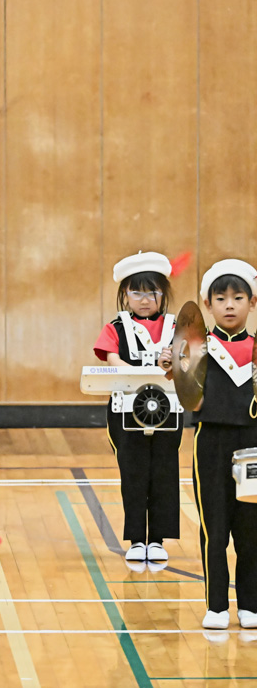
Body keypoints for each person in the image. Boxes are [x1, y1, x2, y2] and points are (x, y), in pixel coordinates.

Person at [92, 251, 184, 565]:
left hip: (167, 413)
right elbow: (112, 360)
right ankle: (136, 540)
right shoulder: (115, 327)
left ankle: (157, 539)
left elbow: (188, 365)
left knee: (164, 473)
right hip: (126, 413)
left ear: (163, 294)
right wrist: (149, 368)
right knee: (132, 474)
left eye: (152, 292)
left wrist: (173, 362)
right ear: (125, 294)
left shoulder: (176, 327)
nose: (144, 300)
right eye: (136, 292)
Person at [190, 260, 257, 630]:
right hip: (211, 442)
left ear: (252, 303)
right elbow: (191, 399)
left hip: (253, 443)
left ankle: (251, 605)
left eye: (238, 298)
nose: (229, 305)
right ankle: (216, 606)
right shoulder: (197, 349)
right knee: (214, 527)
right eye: (220, 298)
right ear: (207, 304)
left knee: (252, 528)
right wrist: (177, 367)